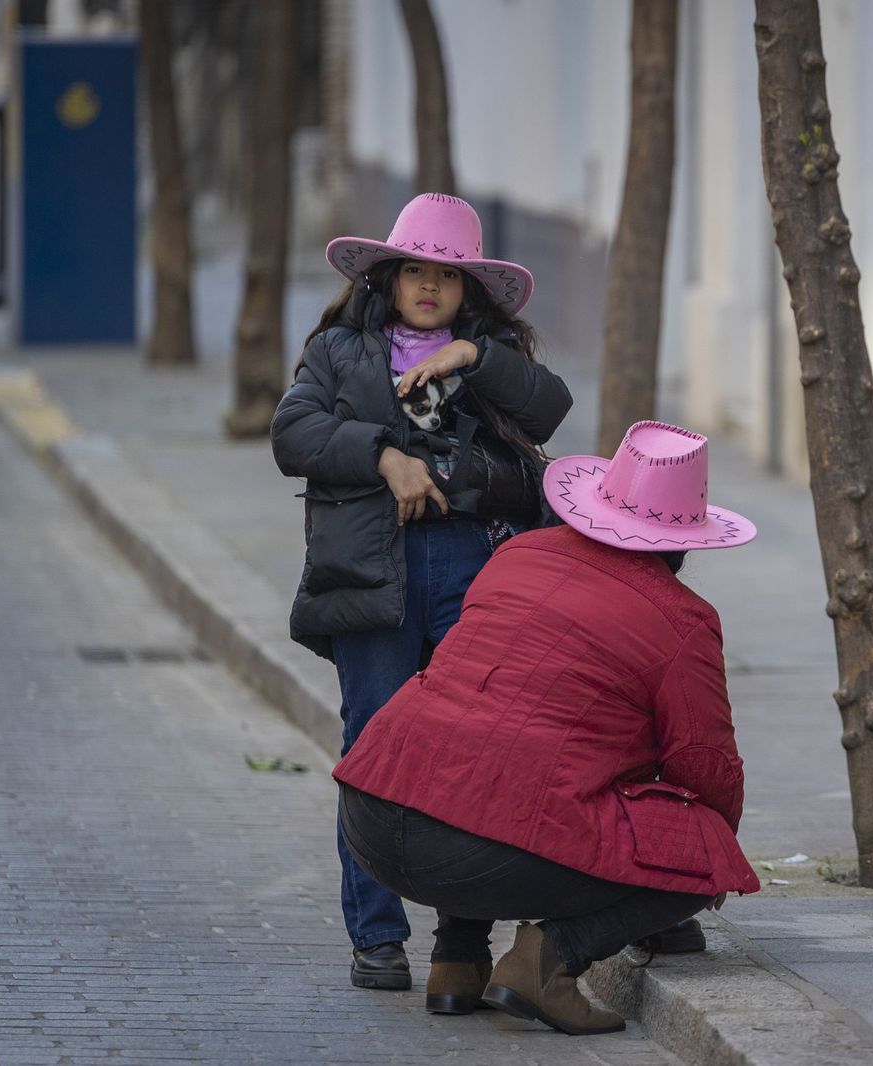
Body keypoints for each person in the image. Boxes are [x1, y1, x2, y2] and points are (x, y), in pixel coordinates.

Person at [333, 421, 760, 1035]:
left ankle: (456, 962)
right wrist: (703, 854)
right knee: (709, 850)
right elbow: (704, 763)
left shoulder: (517, 554)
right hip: (472, 851)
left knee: (479, 762)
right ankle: (547, 960)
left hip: (370, 811)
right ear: (684, 542)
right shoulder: (684, 618)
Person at [271, 193, 572, 993]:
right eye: (414, 270)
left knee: (475, 751)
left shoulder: (492, 358)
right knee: (374, 746)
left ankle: (459, 947)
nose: (429, 285)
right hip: (374, 571)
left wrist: (474, 358)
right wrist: (384, 456)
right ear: (389, 278)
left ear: (468, 288)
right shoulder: (340, 351)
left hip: (476, 568)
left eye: (448, 273)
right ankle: (376, 937)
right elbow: (292, 432)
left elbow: (551, 409)